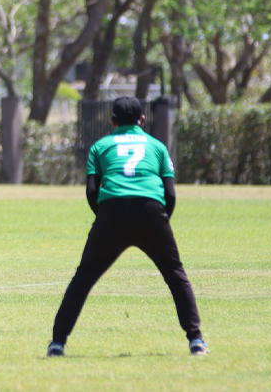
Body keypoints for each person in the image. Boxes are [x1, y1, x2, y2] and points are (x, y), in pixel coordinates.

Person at [47, 96, 208, 357]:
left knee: (84, 278)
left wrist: (105, 217)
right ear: (141, 120)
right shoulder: (157, 146)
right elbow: (170, 193)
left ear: (113, 121)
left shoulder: (100, 146)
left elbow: (91, 191)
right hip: (151, 211)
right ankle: (196, 340)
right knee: (176, 276)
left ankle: (57, 344)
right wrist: (160, 220)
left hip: (112, 211)